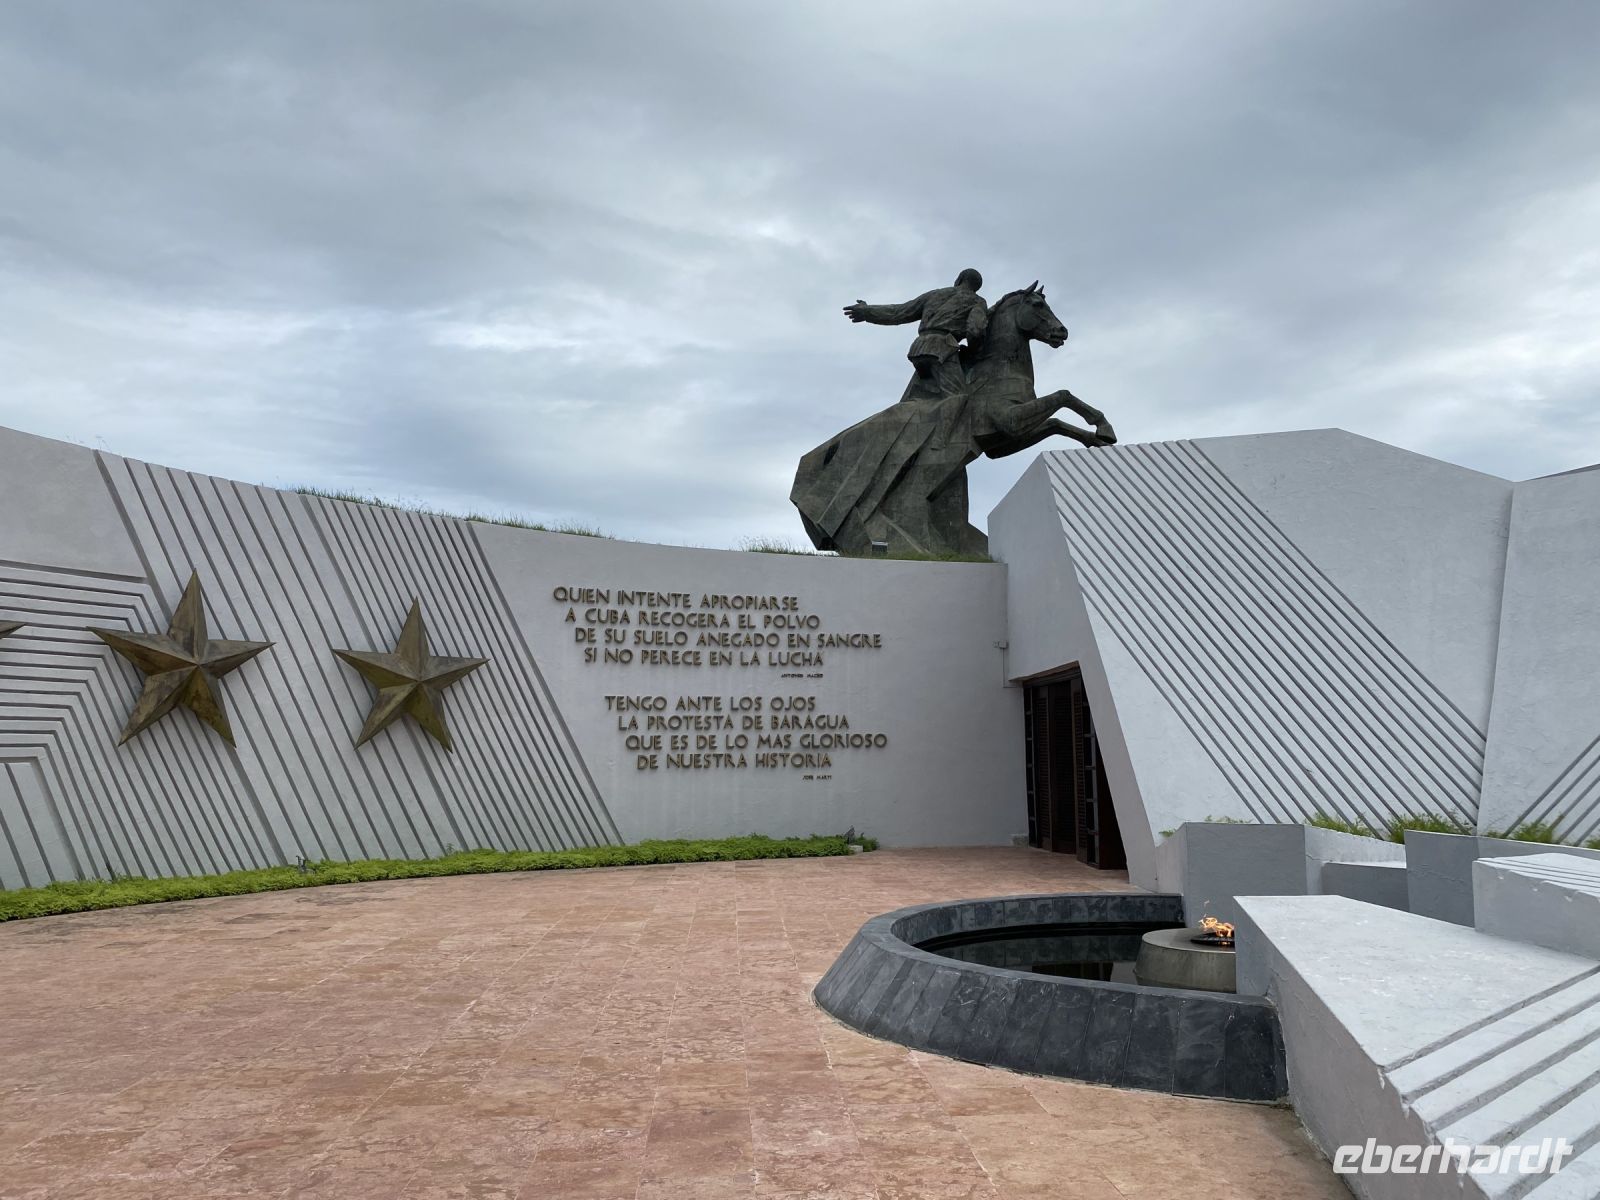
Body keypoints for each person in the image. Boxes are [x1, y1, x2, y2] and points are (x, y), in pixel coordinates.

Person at [843, 269, 987, 402]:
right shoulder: (977, 301)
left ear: (959, 280)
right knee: (959, 400)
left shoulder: (935, 294)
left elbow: (898, 312)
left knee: (909, 401)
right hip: (943, 350)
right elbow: (976, 330)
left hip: (920, 349)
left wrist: (867, 311)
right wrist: (975, 352)